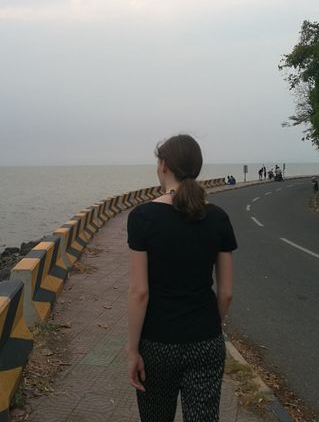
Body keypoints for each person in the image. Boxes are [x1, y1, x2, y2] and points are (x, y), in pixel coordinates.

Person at [126, 134, 237, 422]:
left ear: (163, 165)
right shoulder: (218, 218)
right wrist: (210, 327)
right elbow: (225, 293)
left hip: (157, 344)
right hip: (206, 341)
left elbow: (140, 292)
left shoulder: (143, 217)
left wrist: (132, 349)